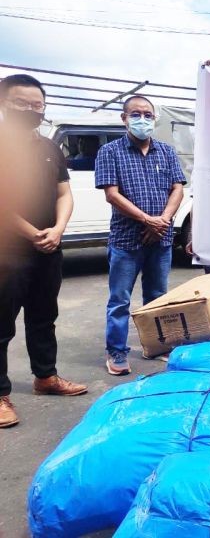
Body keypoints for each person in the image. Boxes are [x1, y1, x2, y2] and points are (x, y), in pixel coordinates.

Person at [0, 74, 87, 429]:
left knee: (43, 316)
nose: (31, 110)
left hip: (48, 248)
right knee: (1, 323)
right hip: (8, 251)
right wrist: (32, 232)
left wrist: (58, 229)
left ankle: (45, 377)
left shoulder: (50, 148)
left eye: (37, 105)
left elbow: (64, 193)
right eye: (22, 103)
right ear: (5, 103)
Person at [95, 95, 186, 375]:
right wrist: (148, 220)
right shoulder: (110, 152)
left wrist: (164, 221)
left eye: (148, 114)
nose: (142, 119)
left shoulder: (167, 151)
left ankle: (157, 345)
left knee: (158, 296)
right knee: (120, 299)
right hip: (126, 239)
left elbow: (177, 188)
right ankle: (117, 352)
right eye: (136, 114)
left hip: (161, 239)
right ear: (124, 118)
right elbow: (112, 195)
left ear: (154, 119)